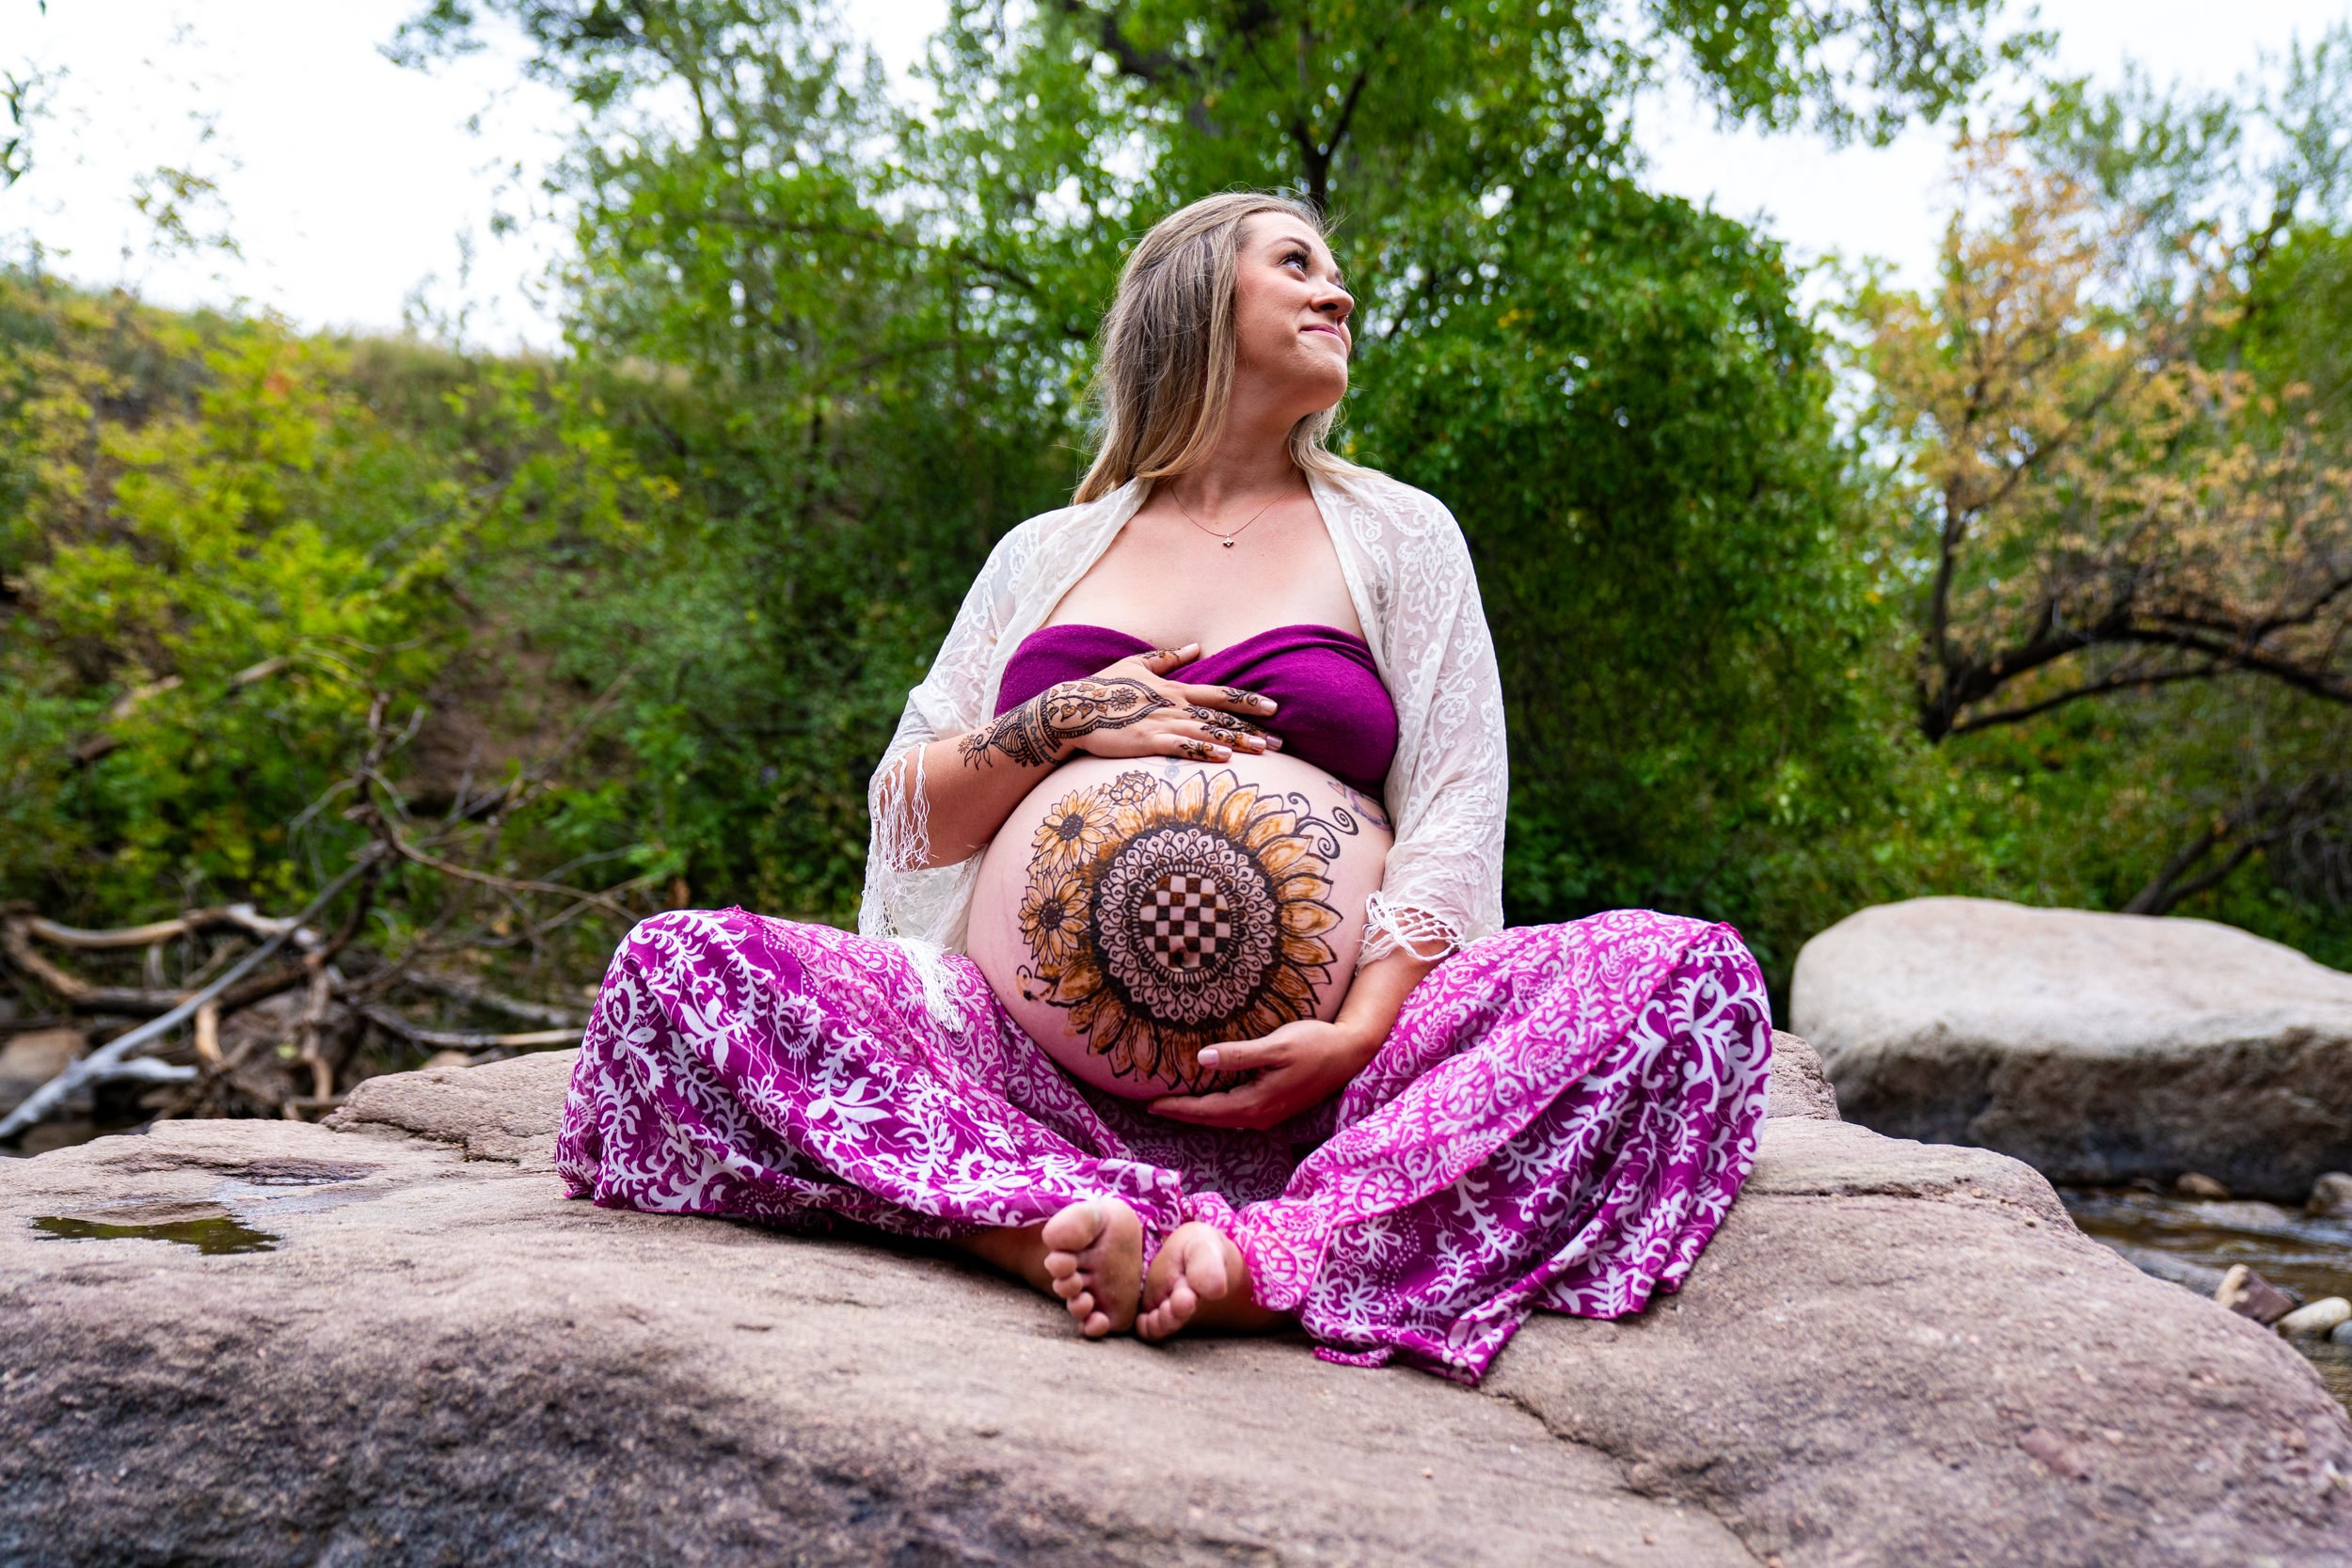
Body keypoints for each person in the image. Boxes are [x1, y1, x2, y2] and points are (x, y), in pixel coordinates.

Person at [554, 190, 1773, 1383]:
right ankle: (1039, 1232)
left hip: (1340, 1084)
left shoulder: (1402, 535)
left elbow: (1457, 794)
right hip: (1009, 1077)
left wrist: (1355, 1035)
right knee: (679, 970)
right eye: (1296, 263)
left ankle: (1269, 1258)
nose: (1337, 290)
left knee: (1694, 983)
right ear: (1196, 295)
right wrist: (1063, 722)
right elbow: (902, 813)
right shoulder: (1044, 553)